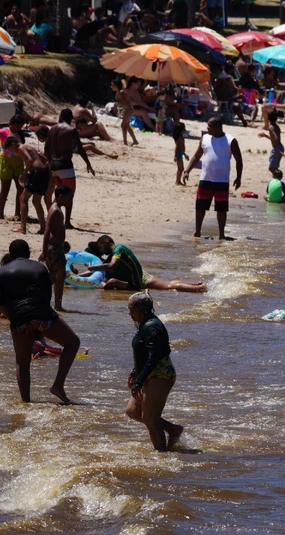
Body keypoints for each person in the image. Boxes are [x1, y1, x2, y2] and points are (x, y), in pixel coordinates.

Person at [0, 239, 79, 403]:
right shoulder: (39, 267)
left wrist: (14, 320)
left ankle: (26, 402)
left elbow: (2, 305)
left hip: (19, 319)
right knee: (72, 343)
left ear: (10, 255)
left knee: (22, 362)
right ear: (29, 253)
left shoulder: (2, 272)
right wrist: (39, 326)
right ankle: (58, 385)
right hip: (43, 316)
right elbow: (46, 298)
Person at [125, 292, 184, 452]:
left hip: (160, 375)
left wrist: (139, 381)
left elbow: (154, 356)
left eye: (132, 309)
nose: (129, 313)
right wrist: (135, 373)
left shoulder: (152, 327)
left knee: (150, 419)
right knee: (133, 411)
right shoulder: (143, 323)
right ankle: (173, 429)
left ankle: (162, 456)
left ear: (143, 309)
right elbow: (142, 354)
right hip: (147, 374)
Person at [184, 116, 243, 241]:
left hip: (222, 180)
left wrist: (238, 178)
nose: (207, 128)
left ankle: (221, 234)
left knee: (221, 209)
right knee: (200, 207)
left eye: (210, 126)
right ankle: (197, 231)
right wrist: (187, 170)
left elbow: (239, 160)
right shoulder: (205, 138)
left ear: (218, 127)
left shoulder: (230, 140)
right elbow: (197, 156)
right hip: (205, 178)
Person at [79, 235, 208, 292]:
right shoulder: (112, 255)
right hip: (140, 276)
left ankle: (198, 288)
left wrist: (93, 267)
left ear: (107, 242)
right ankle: (196, 285)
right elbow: (94, 271)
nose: (102, 251)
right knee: (168, 284)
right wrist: (75, 277)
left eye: (101, 247)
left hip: (140, 280)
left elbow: (111, 266)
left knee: (169, 286)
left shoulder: (118, 249)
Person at [44, 108, 95, 229]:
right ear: (71, 118)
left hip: (54, 166)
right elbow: (80, 148)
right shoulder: (72, 130)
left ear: (60, 117)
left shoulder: (52, 129)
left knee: (59, 195)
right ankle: (66, 222)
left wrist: (50, 162)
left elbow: (46, 148)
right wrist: (88, 163)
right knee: (69, 195)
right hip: (65, 165)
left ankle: (52, 218)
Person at [41, 185, 70, 310]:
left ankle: (40, 297)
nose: (69, 200)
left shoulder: (56, 209)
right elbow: (47, 230)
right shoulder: (55, 210)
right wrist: (44, 251)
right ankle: (58, 306)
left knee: (53, 277)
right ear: (61, 196)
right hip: (54, 247)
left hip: (56, 246)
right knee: (60, 276)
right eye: (68, 198)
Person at [16, 134, 50, 235]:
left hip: (36, 172)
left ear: (13, 144)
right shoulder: (30, 148)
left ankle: (23, 227)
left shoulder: (21, 147)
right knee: (36, 201)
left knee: (23, 199)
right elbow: (45, 159)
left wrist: (24, 174)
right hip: (43, 172)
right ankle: (43, 227)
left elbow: (30, 161)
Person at [0, 136, 23, 219]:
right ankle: (0, 213)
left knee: (20, 188)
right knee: (4, 189)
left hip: (18, 162)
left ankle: (17, 213)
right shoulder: (3, 131)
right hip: (6, 161)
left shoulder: (20, 134)